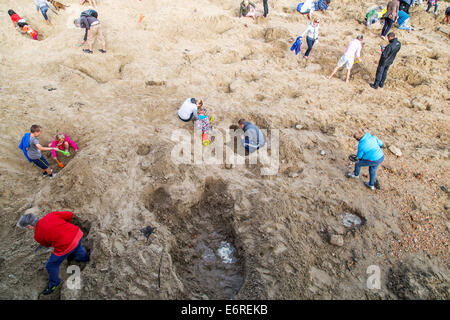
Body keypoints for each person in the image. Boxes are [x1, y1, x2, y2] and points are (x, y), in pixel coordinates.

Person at [17, 211, 89, 295]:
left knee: (51, 265)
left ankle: (55, 283)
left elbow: (47, 244)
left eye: (27, 228)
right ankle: (85, 259)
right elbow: (69, 214)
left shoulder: (37, 236)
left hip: (66, 246)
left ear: (29, 226)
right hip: (77, 233)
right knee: (78, 248)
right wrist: (64, 227)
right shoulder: (51, 215)